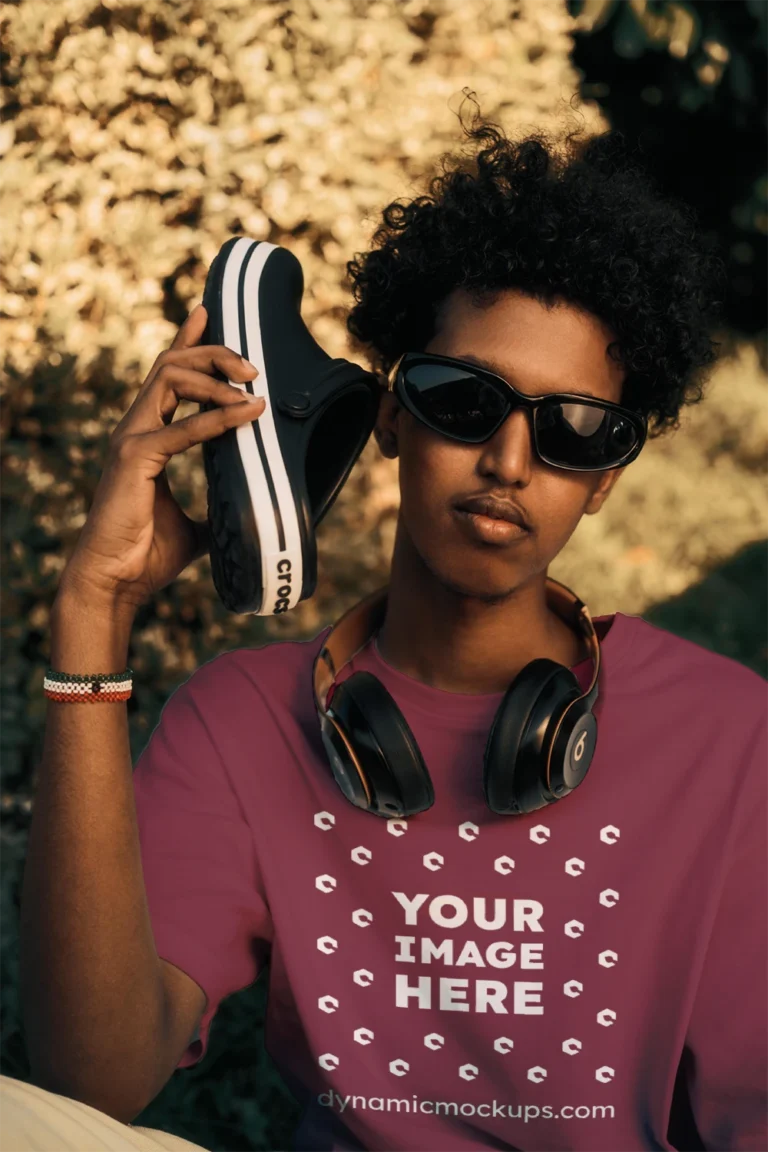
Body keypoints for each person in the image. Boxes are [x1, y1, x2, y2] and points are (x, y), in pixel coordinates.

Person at [8, 99, 768, 1152]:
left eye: (575, 431)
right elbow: (88, 1082)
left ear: (605, 481)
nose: (509, 461)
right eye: (464, 399)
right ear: (392, 415)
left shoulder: (732, 737)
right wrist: (92, 613)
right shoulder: (243, 722)